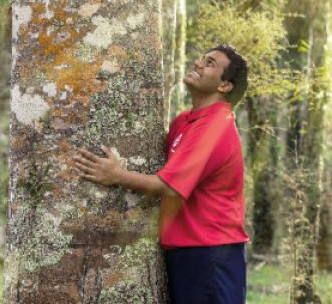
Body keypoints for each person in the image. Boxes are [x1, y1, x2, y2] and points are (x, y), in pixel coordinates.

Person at [74, 43, 250, 304]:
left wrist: (117, 175)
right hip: (184, 251)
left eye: (210, 63)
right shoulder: (185, 121)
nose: (198, 64)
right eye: (201, 58)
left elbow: (170, 185)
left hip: (211, 253)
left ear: (225, 86)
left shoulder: (217, 125)